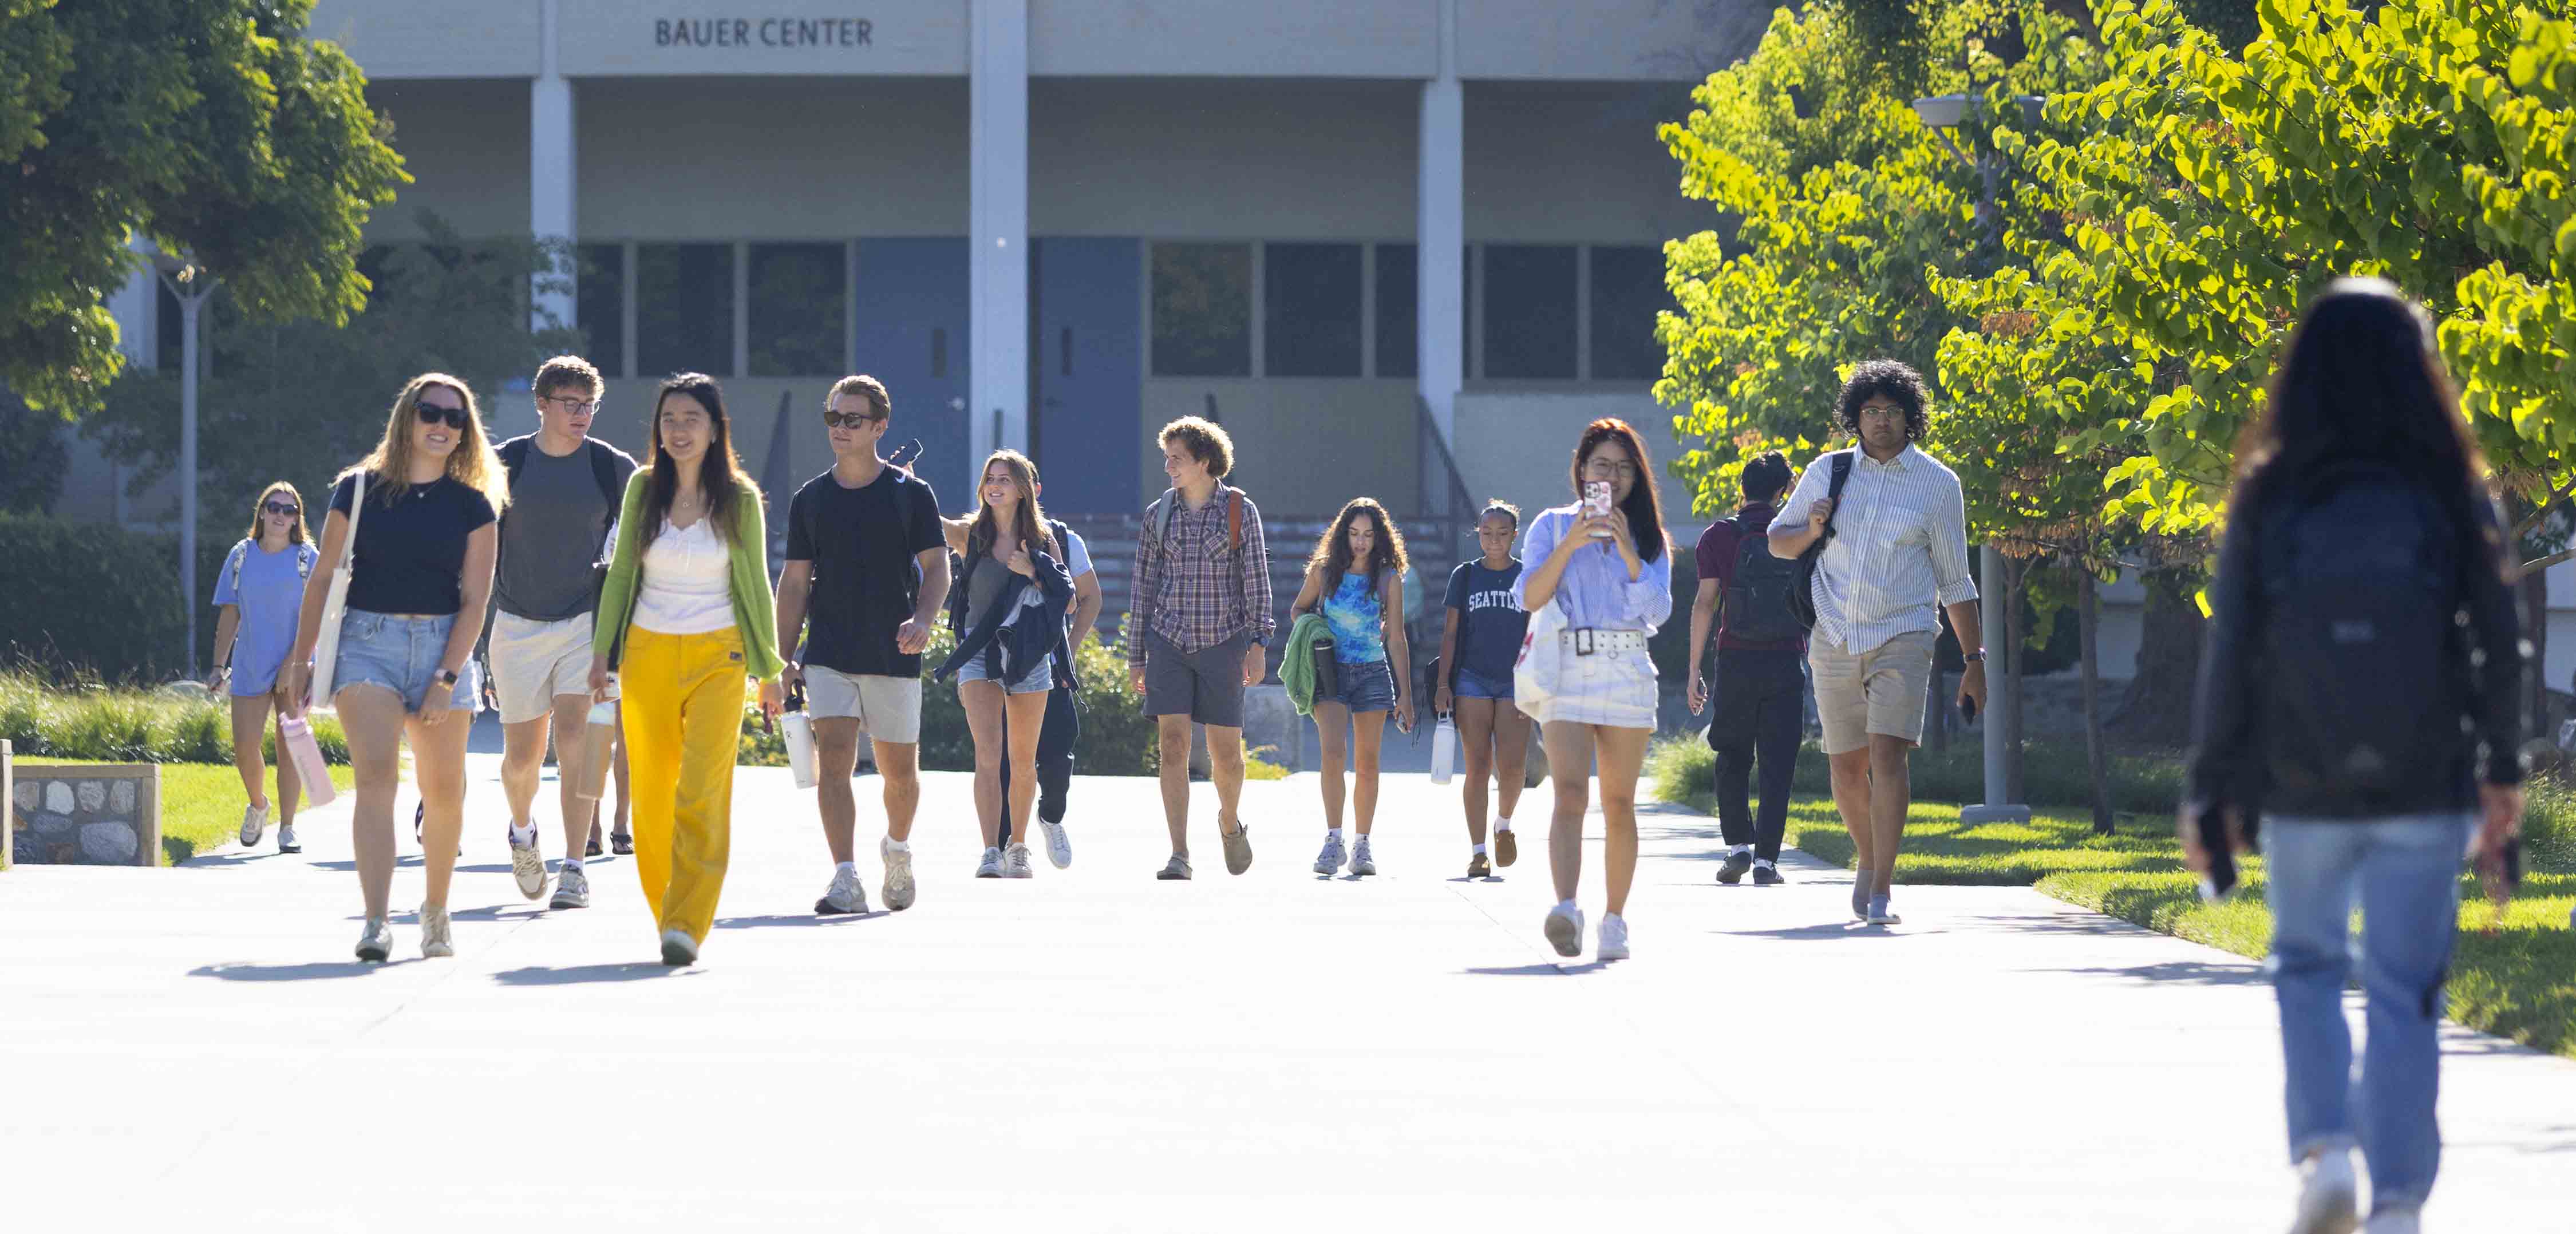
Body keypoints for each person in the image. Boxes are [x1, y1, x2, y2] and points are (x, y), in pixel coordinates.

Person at [2181, 279, 2525, 1234]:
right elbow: (2502, 642)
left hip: (2301, 779)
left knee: (2305, 963)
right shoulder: (2454, 492)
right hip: (2427, 776)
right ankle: (2400, 1203)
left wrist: (2211, 783)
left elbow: (2234, 646)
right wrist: (2502, 769)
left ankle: (2327, 1151)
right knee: (2406, 987)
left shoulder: (2273, 491)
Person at [283, 374, 503, 962]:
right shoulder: (357, 490)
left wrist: (447, 676)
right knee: (377, 779)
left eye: (455, 418)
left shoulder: (474, 505)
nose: (441, 425)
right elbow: (323, 576)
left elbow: (476, 599)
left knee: (444, 792)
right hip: (367, 644)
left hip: (442, 648)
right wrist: (300, 659)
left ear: (465, 432)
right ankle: (376, 921)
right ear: (406, 417)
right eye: (430, 412)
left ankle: (436, 912)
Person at [1765, 361, 1986, 927]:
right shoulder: (1829, 471)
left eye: (1892, 411)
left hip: (1904, 633)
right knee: (1845, 768)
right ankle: (1868, 856)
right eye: (1871, 411)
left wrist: (1974, 659)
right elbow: (1778, 543)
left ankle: (1883, 885)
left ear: (1911, 417)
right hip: (1834, 633)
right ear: (1855, 417)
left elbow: (1955, 578)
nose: (1881, 421)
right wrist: (1813, 529)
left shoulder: (1939, 484)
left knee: (1887, 755)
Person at [588, 373, 784, 967]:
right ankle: (668, 910)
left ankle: (689, 922)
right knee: (650, 797)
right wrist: (603, 653)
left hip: (718, 656)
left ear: (715, 428)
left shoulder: (741, 498)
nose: (678, 429)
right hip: (647, 652)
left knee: (702, 791)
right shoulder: (643, 488)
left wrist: (769, 666)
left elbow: (755, 584)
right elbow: (622, 572)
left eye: (690, 418)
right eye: (669, 419)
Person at [775, 375, 948, 916]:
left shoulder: (910, 494)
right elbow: (795, 582)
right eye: (834, 419)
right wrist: (783, 658)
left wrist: (923, 619)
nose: (841, 429)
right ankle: (845, 876)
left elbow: (938, 566)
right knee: (834, 766)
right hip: (828, 652)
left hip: (894, 651)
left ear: (879, 426)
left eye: (853, 420)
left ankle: (896, 850)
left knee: (900, 776)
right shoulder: (811, 498)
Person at [486, 355, 639, 911]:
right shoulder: (506, 463)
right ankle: (524, 832)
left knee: (578, 736)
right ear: (542, 404)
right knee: (522, 758)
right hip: (518, 621)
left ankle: (575, 865)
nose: (582, 415)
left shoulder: (611, 467)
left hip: (585, 622)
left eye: (590, 405)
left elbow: (652, 525)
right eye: (571, 404)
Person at [1515, 419, 1672, 961]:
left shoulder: (1649, 536)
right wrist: (1574, 542)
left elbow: (1658, 613)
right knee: (1570, 794)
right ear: (1582, 470)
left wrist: (1629, 551)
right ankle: (1567, 907)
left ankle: (1615, 920)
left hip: (1628, 668)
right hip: (1568, 667)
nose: (1613, 476)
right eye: (1602, 465)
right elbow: (1530, 595)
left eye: (1625, 467)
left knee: (1620, 802)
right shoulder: (1552, 525)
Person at [1126, 416, 1271, 880]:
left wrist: (1258, 642)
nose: (1169, 467)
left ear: (1204, 463)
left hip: (1223, 643)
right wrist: (1136, 655)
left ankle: (1229, 822)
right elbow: (1142, 586)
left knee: (1226, 753)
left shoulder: (1239, 512)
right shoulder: (1158, 515)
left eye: (1178, 459)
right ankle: (1180, 853)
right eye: (1166, 458)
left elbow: (1257, 581)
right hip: (1167, 642)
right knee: (1173, 746)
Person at [931, 450, 1076, 879]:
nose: (995, 485)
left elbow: (1066, 599)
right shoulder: (969, 535)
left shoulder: (1044, 540)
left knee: (1023, 759)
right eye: (990, 478)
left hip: (1029, 656)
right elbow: (926, 521)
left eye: (1005, 479)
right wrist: (902, 483)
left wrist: (1033, 570)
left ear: (1023, 490)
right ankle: (990, 850)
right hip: (979, 654)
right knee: (988, 756)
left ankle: (1019, 847)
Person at [1687, 451, 1803, 887]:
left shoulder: (1718, 535)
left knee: (1732, 753)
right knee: (1779, 763)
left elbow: (1704, 605)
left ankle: (1738, 846)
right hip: (1786, 658)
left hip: (1735, 659)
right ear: (1782, 491)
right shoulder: (1794, 533)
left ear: (1742, 488)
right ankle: (1767, 861)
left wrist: (1695, 669)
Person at [1288, 497, 1415, 876]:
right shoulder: (1324, 572)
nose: (1361, 542)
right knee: (1332, 755)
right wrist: (1313, 630)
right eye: (1355, 534)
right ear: (1343, 535)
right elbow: (1298, 610)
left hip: (1372, 672)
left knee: (1368, 763)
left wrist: (1406, 694)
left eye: (1369, 535)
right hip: (1330, 671)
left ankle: (1362, 845)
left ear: (1380, 539)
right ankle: (1333, 839)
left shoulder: (1389, 578)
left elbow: (1396, 637)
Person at [208, 482, 322, 854]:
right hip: (250, 662)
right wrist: (217, 665)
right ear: (261, 512)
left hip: (296, 663)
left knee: (291, 744)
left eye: (289, 510)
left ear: (297, 519)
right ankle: (259, 805)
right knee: (244, 747)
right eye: (274, 507)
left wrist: (294, 662)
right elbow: (230, 611)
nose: (280, 515)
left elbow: (317, 615)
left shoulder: (308, 559)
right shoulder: (241, 556)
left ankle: (288, 828)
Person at [1433, 500, 1530, 879]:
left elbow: (1537, 633)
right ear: (1479, 533)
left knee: (1513, 767)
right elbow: (1451, 632)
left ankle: (1503, 823)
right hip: (1471, 677)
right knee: (1477, 765)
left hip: (1515, 680)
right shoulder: (1465, 575)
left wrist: (1538, 685)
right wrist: (1444, 683)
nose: (1494, 540)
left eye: (1502, 533)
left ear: (1514, 536)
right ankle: (1477, 852)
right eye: (1487, 533)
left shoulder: (1527, 576)